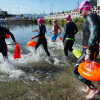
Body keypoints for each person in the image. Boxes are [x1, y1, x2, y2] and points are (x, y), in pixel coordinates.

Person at [73, 1, 100, 99]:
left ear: (84, 9)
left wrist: (88, 52)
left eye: (80, 11)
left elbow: (94, 33)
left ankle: (94, 89)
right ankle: (88, 88)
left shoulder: (91, 17)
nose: (80, 14)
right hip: (92, 49)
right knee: (86, 68)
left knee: (76, 71)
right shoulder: (95, 16)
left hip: (89, 51)